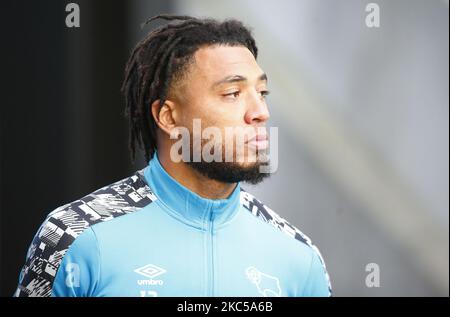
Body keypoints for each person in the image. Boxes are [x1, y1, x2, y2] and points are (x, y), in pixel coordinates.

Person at [14, 14, 332, 297]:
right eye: (233, 94)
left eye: (261, 93)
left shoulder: (299, 257)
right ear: (168, 117)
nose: (260, 112)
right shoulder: (73, 235)